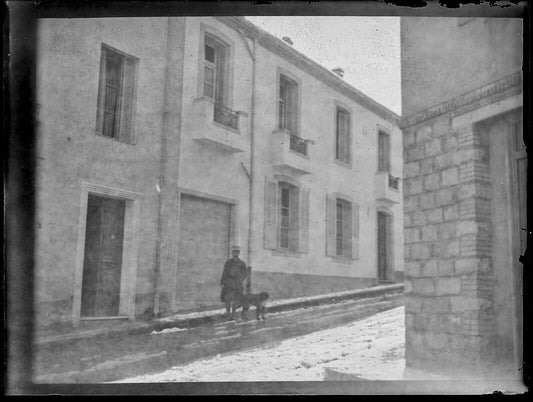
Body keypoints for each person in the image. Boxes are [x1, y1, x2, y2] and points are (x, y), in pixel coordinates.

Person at [220, 245, 248, 321]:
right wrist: (222, 282)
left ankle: (233, 315)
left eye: (237, 252)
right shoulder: (228, 262)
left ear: (239, 253)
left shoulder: (242, 263)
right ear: (232, 253)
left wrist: (240, 280)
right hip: (228, 284)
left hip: (237, 284)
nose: (236, 253)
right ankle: (228, 315)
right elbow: (224, 272)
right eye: (234, 252)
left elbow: (244, 274)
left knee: (236, 300)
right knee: (228, 300)